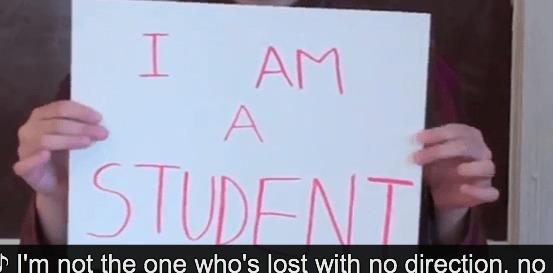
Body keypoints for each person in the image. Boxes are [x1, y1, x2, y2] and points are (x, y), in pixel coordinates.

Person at [15, 0, 499, 245]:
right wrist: (58, 199)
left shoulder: (400, 62)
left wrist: (450, 214)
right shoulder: (119, 56)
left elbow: (436, 236)